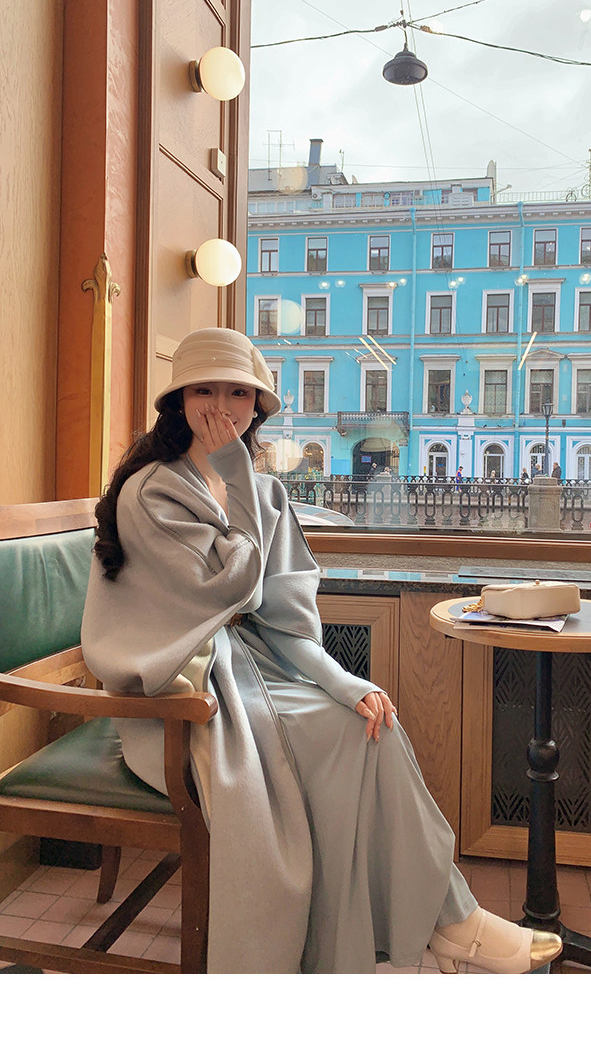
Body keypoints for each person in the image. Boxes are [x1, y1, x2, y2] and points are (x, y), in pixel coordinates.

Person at [81, 328, 561, 976]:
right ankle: (450, 925)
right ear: (178, 402)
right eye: (203, 391)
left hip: (252, 672)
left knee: (372, 724)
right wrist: (238, 478)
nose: (220, 406)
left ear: (257, 405)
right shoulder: (153, 492)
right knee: (340, 741)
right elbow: (235, 590)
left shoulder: (263, 493)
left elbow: (285, 618)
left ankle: (448, 921)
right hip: (179, 694)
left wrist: (341, 682)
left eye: (237, 393)